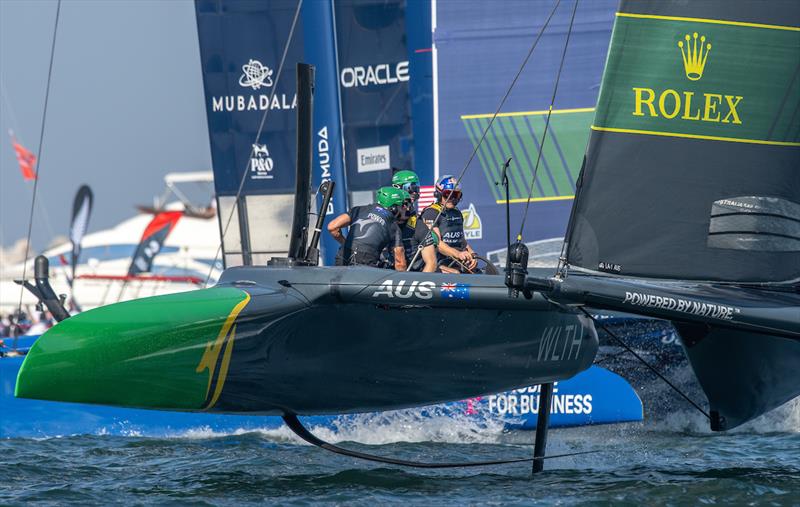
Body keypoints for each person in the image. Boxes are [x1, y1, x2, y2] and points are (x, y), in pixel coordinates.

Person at [327, 186, 411, 269]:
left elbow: (332, 227)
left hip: (344, 254)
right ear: (394, 207)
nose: (405, 209)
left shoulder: (359, 209)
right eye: (402, 206)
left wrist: (345, 244)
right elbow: (400, 264)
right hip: (367, 261)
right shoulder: (394, 227)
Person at [414, 174, 477, 273]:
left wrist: (472, 254)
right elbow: (437, 244)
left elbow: (461, 240)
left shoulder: (457, 212)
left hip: (457, 261)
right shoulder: (431, 213)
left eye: (456, 195)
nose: (452, 198)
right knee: (457, 274)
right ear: (438, 194)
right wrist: (458, 254)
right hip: (440, 264)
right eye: (448, 194)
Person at [390, 170, 437, 272]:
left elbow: (431, 262)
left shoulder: (418, 222)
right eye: (411, 188)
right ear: (397, 188)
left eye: (417, 188)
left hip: (413, 272)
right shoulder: (385, 218)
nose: (415, 192)